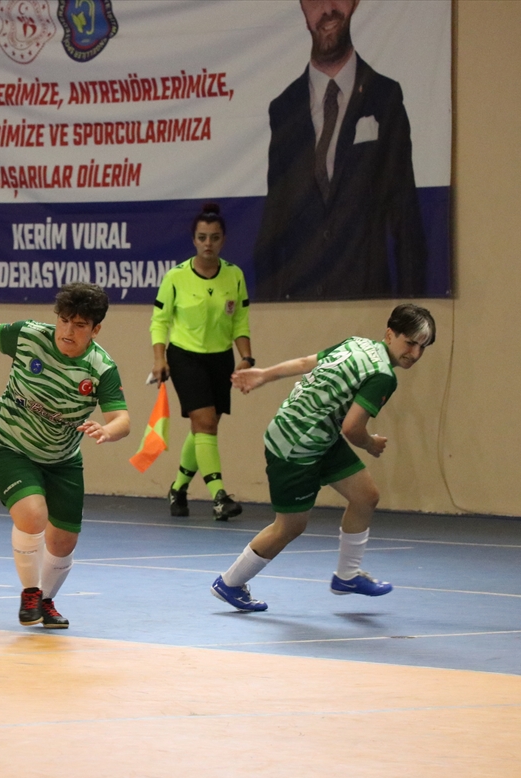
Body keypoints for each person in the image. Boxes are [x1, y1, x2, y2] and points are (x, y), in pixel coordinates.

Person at [0, 283, 129, 630]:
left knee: (64, 541)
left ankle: (45, 601)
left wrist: (108, 431)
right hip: (8, 445)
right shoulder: (30, 336)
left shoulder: (101, 368)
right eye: (64, 320)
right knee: (33, 516)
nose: (68, 330)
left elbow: (122, 419)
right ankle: (30, 592)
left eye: (80, 325)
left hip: (62, 459)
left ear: (95, 330)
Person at [210, 303, 436, 612]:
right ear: (389, 334)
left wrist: (265, 375)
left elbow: (306, 363)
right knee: (289, 527)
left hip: (315, 434)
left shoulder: (356, 344)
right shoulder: (383, 376)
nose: (415, 353)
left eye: (423, 347)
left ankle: (347, 576)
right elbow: (352, 428)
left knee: (365, 496)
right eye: (410, 343)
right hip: (296, 446)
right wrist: (370, 444)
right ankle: (230, 582)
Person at [252, 0, 428, 301]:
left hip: (367, 305)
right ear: (302, 8)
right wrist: (271, 314)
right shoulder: (283, 109)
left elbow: (406, 220)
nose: (327, 9)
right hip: (300, 309)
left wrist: (409, 315)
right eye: (314, 1)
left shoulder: (384, 97)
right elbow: (273, 226)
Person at [149, 203, 252, 522]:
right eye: (202, 237)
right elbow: (159, 321)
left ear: (223, 240)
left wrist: (246, 357)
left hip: (220, 358)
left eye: (215, 238)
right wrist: (159, 358)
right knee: (205, 423)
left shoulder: (234, 275)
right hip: (185, 357)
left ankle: (178, 488)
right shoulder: (176, 276)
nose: (208, 243)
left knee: (204, 427)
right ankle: (219, 497)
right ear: (194, 240)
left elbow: (240, 322)